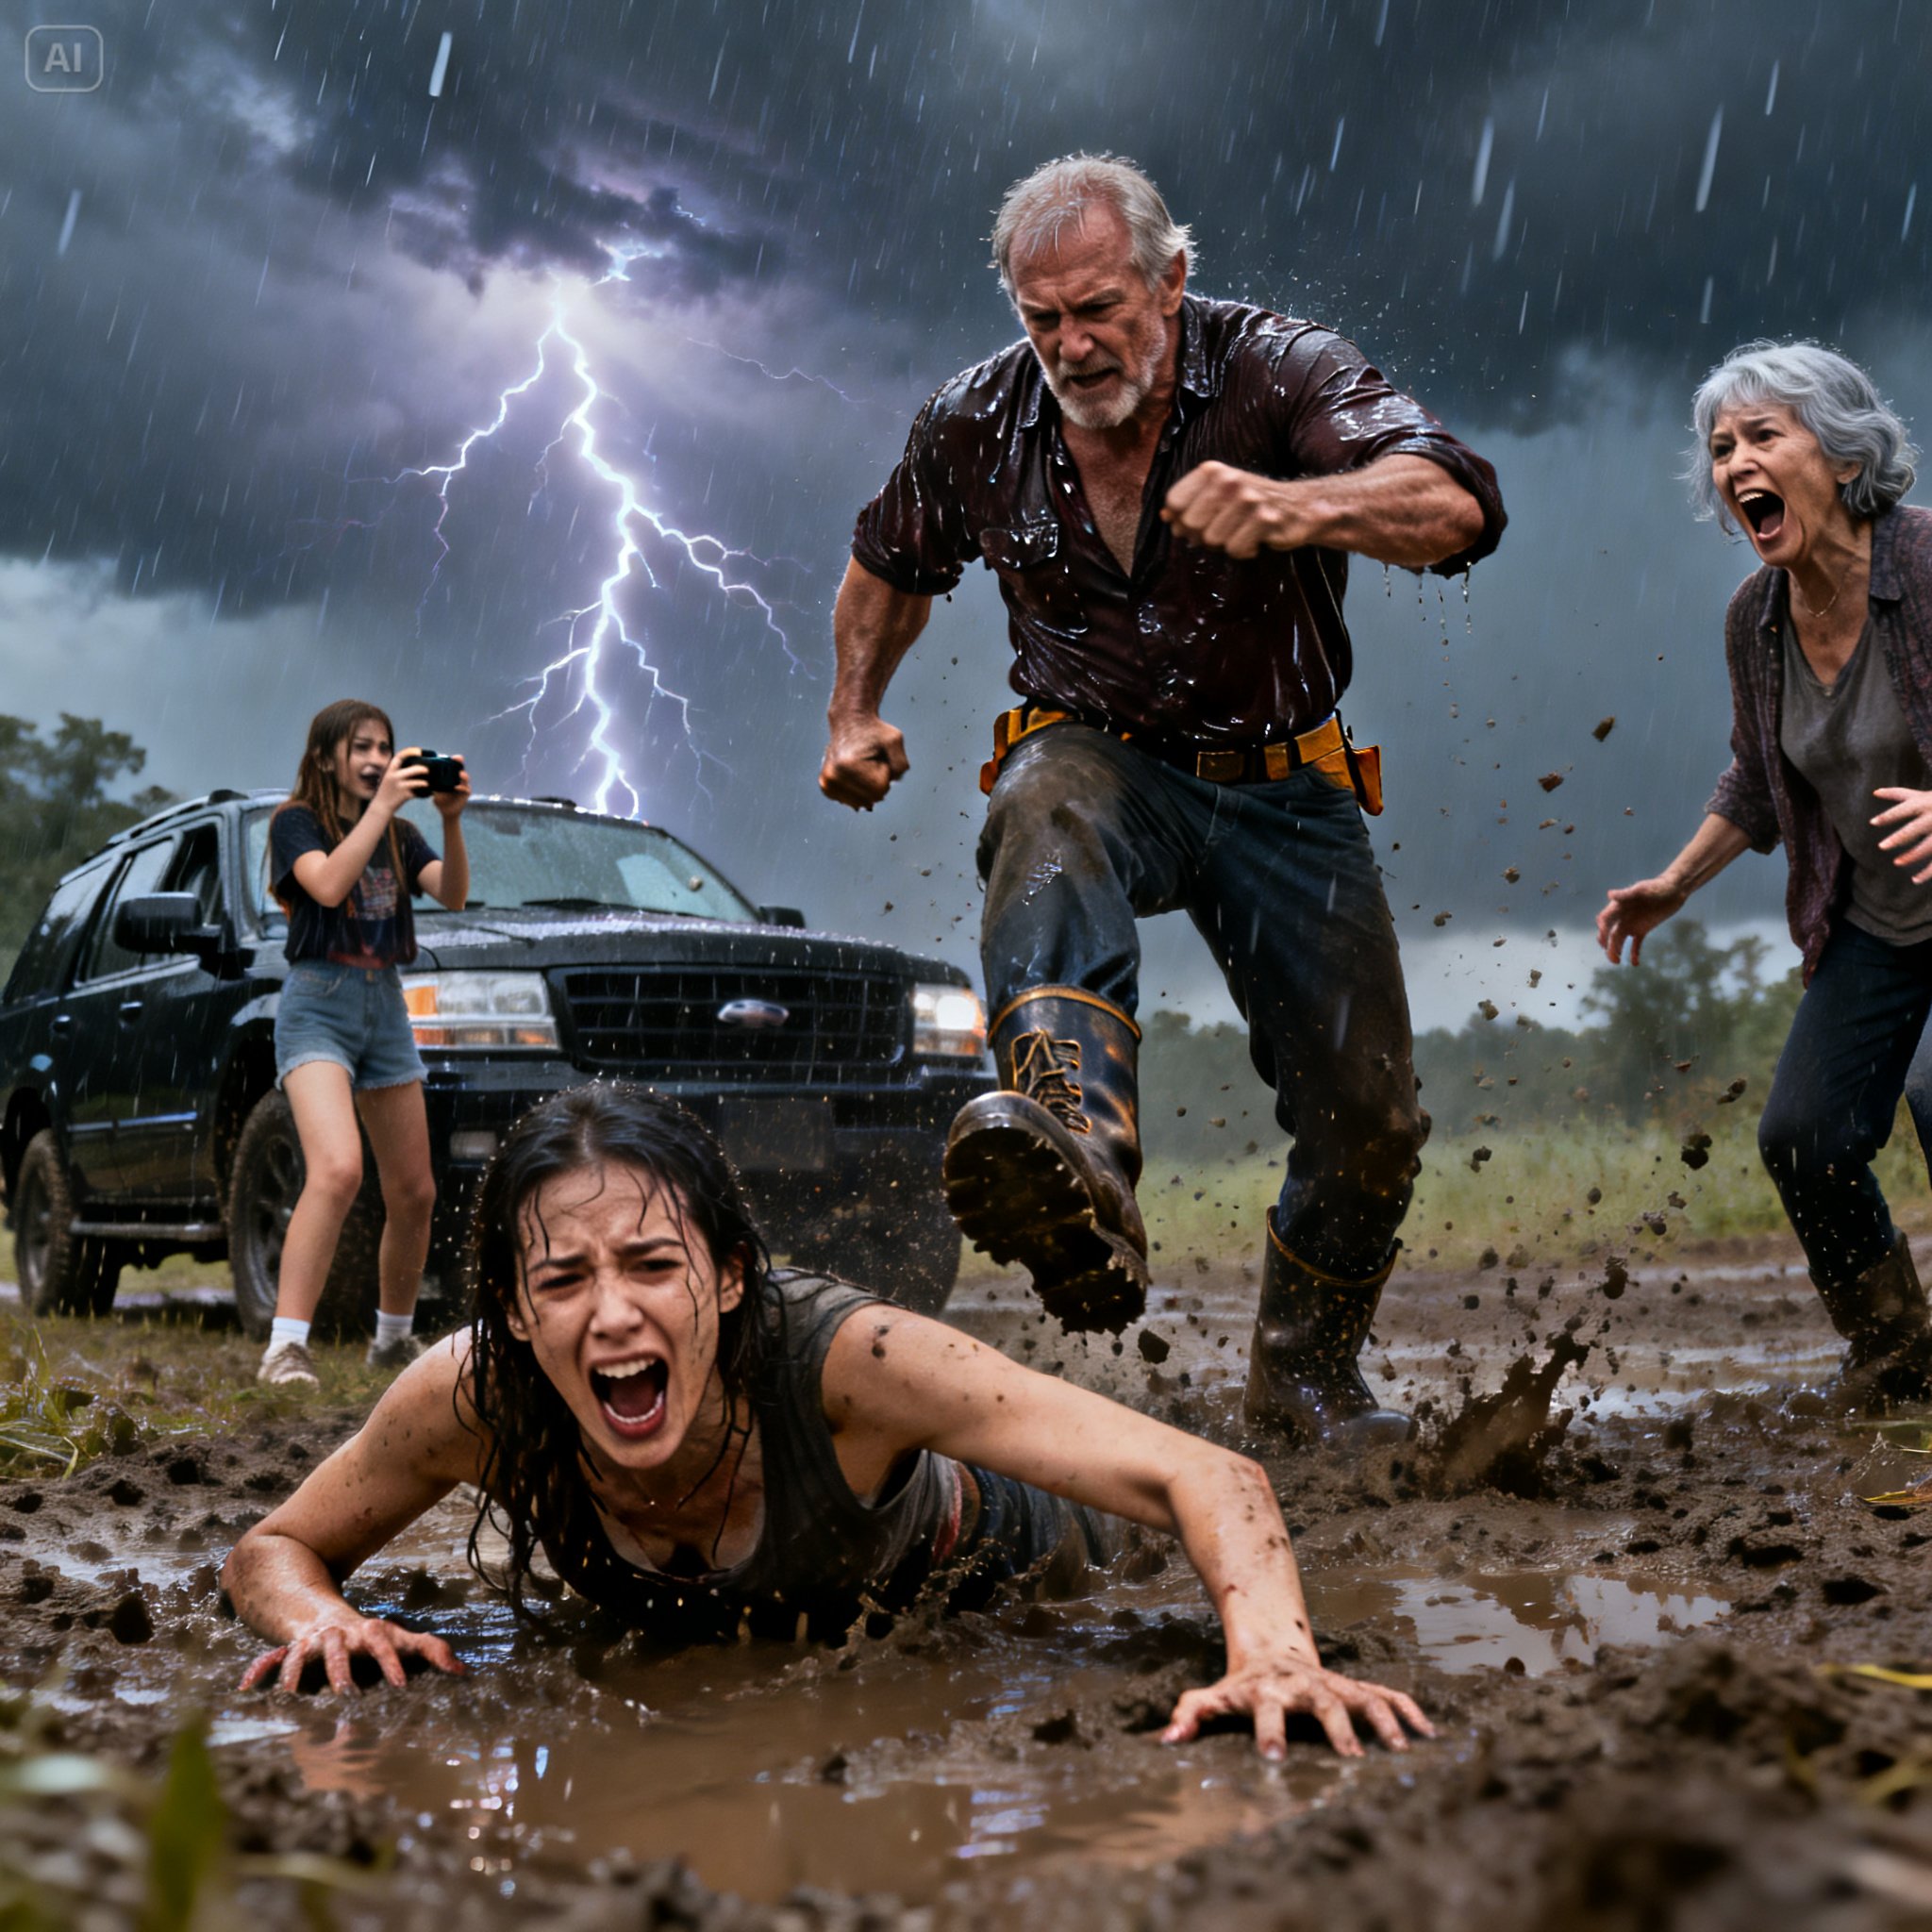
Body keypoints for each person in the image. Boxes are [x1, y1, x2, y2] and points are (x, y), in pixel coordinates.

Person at [818, 154, 1506, 1445]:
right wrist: (854, 708)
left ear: (1172, 279)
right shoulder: (974, 421)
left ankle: (1305, 1386)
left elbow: (1456, 504)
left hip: (1282, 785)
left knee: (1372, 1120)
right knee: (1044, 802)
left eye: (1102, 309)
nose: (1074, 346)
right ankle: (1075, 1153)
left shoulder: (1277, 368)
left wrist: (1300, 504)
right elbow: (887, 565)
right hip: (1102, 756)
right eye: (1044, 319)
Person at [222, 1083, 1433, 1762]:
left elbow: (1211, 1477)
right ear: (511, 1309)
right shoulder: (469, 1392)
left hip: (1031, 1550)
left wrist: (1276, 1654)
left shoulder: (847, 1358)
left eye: (652, 1262)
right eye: (561, 1282)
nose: (609, 1316)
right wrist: (322, 1620)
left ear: (732, 1275)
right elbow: (269, 1550)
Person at [1598, 340, 1931, 1410]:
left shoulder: (1923, 566)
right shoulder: (1754, 618)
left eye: (1760, 435)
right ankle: (1894, 1355)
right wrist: (1672, 882)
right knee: (1803, 1136)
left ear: (1838, 457)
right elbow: (1755, 774)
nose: (1732, 460)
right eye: (1718, 446)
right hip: (1874, 924)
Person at [258, 701, 471, 1387]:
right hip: (317, 1003)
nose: (377, 759)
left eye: (386, 747)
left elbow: (456, 895)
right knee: (339, 1170)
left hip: (385, 1005)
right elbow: (325, 883)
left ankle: (393, 1340)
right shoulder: (296, 822)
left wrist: (450, 821)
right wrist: (380, 808)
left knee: (413, 1190)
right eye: (361, 748)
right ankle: (285, 1348)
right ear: (326, 757)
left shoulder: (402, 834)